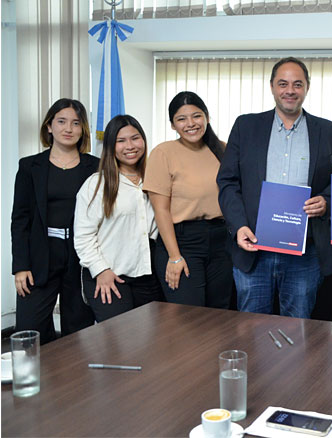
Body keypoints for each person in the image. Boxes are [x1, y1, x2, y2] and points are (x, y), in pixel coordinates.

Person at [217, 57, 332, 318]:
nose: (290, 90)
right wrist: (239, 225)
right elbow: (227, 182)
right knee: (251, 328)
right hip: (253, 247)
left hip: (305, 253)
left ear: (307, 87)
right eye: (283, 83)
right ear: (272, 87)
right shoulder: (246, 126)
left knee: (297, 330)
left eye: (297, 84)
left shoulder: (330, 131)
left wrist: (327, 201)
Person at [11, 98, 97, 344]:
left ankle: (74, 382)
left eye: (76, 123)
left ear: (83, 129)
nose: (68, 129)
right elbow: (20, 220)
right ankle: (37, 380)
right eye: (61, 122)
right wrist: (20, 266)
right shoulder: (30, 166)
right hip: (40, 255)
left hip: (80, 256)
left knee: (78, 332)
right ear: (49, 126)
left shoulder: (96, 167)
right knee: (29, 330)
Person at [143, 91, 233, 308]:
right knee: (189, 319)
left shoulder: (222, 149)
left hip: (222, 241)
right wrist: (174, 256)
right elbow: (161, 211)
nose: (190, 124)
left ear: (207, 117)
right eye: (181, 119)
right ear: (173, 125)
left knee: (220, 314)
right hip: (183, 243)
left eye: (196, 116)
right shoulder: (163, 153)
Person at [74, 115, 163, 322]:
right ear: (110, 147)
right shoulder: (96, 184)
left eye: (135, 138)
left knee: (153, 340)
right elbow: (83, 236)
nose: (130, 146)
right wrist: (101, 271)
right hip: (110, 275)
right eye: (121, 141)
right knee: (121, 341)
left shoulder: (155, 179)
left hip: (148, 275)